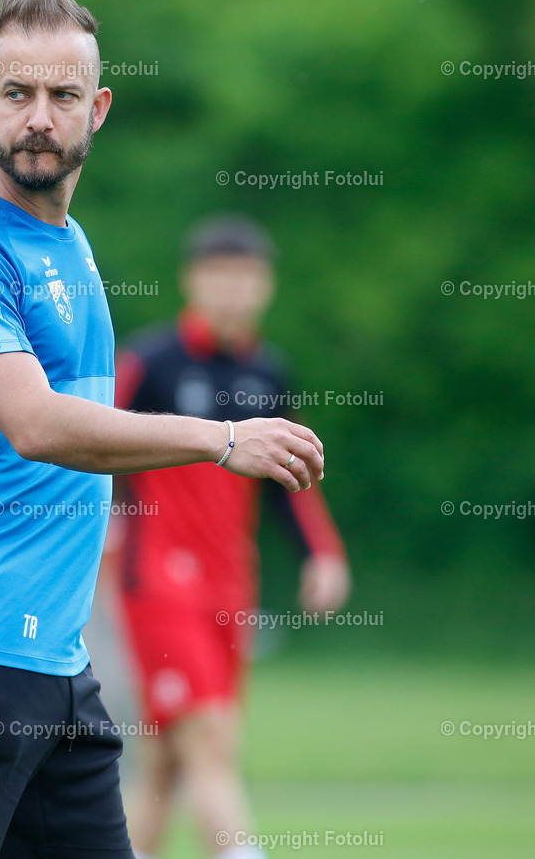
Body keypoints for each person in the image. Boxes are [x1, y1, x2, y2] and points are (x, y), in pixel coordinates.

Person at [0, 0, 326, 859]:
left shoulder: (66, 241)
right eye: (18, 94)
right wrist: (221, 440)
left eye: (62, 95)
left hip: (54, 667)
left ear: (96, 108)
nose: (38, 117)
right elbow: (40, 423)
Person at [113, 214, 351, 859]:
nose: (232, 290)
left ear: (266, 286)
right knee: (211, 738)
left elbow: (291, 481)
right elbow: (86, 440)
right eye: (219, 275)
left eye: (246, 277)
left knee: (166, 762)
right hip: (158, 578)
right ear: (192, 280)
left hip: (230, 585)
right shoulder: (150, 362)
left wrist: (321, 555)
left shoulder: (269, 373)